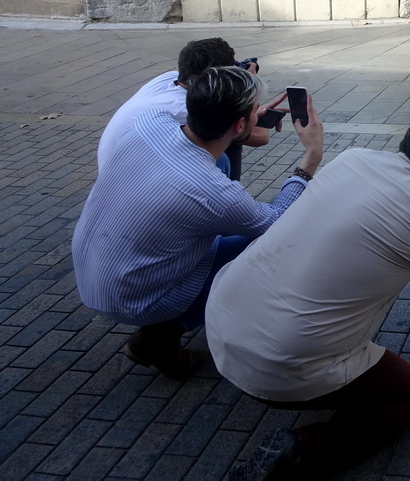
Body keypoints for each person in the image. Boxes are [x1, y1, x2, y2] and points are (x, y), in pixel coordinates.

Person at [206, 105, 410, 480]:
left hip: (220, 319)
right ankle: (304, 451)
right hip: (275, 366)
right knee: (409, 394)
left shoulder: (353, 159)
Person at [72, 66, 324, 378]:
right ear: (240, 123)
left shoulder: (150, 123)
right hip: (130, 299)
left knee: (219, 160)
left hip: (93, 271)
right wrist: (311, 155)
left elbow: (210, 141)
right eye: (250, 116)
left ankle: (163, 324)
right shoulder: (213, 193)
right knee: (269, 245)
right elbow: (276, 221)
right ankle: (159, 336)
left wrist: (242, 120)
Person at [96, 38, 266, 180]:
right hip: (136, 183)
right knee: (226, 141)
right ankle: (227, 200)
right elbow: (260, 137)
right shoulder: (186, 109)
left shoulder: (166, 79)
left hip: (115, 176)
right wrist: (246, 85)